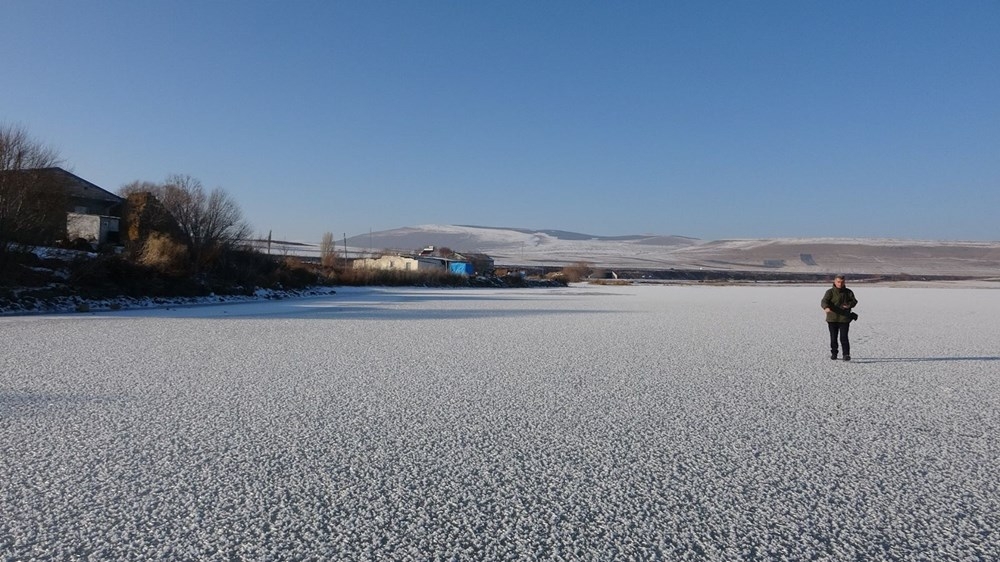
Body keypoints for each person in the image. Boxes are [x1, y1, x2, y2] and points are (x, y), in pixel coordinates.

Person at [821, 274, 858, 361]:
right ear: (835, 282)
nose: (840, 284)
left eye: (842, 282)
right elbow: (824, 301)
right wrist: (826, 307)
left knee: (844, 337)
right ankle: (834, 353)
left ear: (844, 282)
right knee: (833, 337)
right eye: (838, 282)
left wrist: (848, 305)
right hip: (832, 319)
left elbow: (854, 301)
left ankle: (846, 354)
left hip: (844, 319)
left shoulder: (848, 292)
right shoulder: (830, 292)